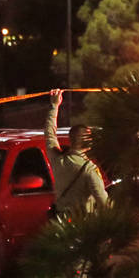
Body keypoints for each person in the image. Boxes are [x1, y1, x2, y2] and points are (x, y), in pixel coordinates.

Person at [46, 89, 108, 218]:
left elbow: (49, 133)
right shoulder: (89, 169)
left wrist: (54, 106)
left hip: (60, 222)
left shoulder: (57, 159)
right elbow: (103, 201)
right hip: (82, 225)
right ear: (88, 142)